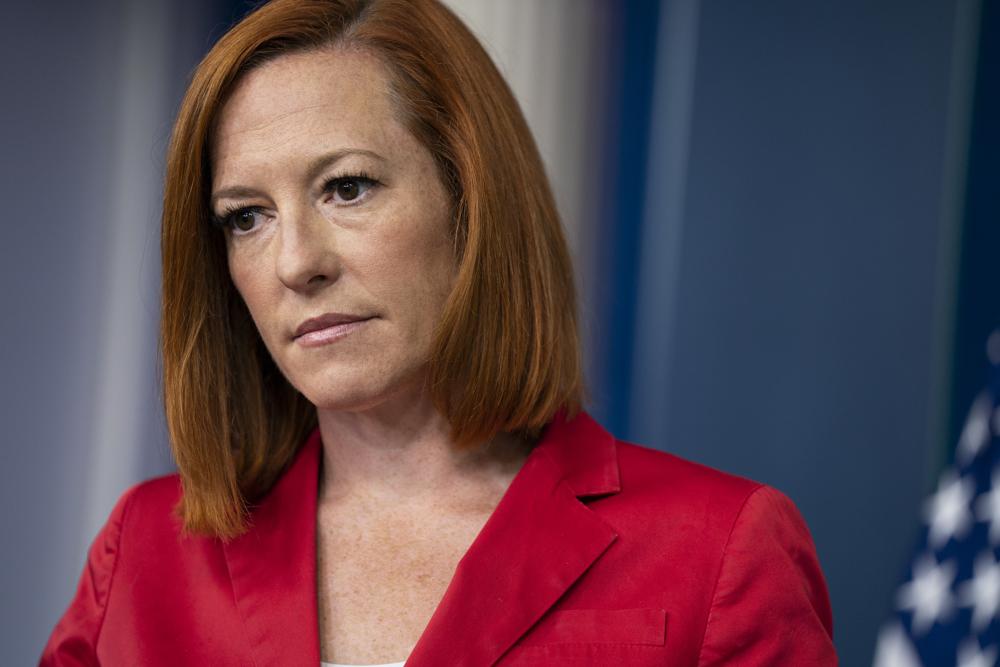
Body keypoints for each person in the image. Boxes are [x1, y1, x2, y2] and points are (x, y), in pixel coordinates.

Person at [41, 0, 837, 665]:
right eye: (246, 216)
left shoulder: (720, 548)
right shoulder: (144, 548)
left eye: (346, 187)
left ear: (472, 203)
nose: (295, 262)